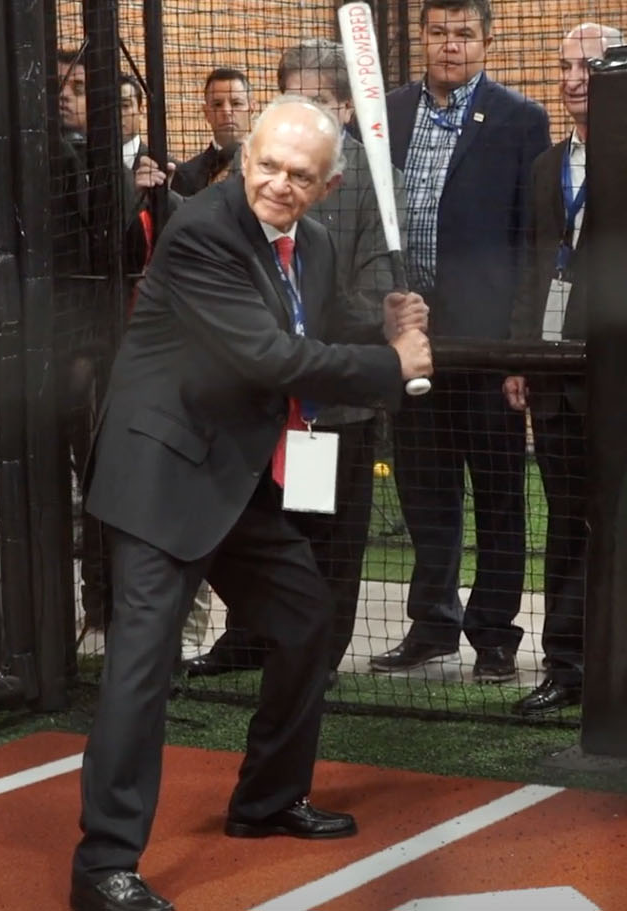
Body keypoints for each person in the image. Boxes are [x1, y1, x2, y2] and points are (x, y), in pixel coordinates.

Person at [70, 96, 431, 911]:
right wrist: (391, 362)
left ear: (329, 184)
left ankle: (267, 800)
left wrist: (384, 323)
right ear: (243, 157)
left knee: (306, 618)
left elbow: (320, 321)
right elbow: (272, 354)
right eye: (266, 164)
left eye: (300, 175)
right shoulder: (202, 230)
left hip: (231, 475)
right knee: (142, 665)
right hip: (162, 473)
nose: (278, 184)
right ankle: (103, 866)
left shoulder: (320, 241)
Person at [186, 38, 407, 685]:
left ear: (343, 108)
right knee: (261, 524)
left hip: (330, 400)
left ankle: (318, 654)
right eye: (289, 98)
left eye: (314, 99)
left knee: (329, 536)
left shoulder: (370, 179)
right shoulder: (260, 173)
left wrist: (296, 326)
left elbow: (373, 294)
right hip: (258, 394)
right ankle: (250, 635)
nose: (301, 112)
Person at [369, 0, 550, 683]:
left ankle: (495, 636)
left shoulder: (519, 120)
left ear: (488, 41)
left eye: (464, 33)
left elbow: (532, 245)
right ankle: (432, 623)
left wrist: (518, 351)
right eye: (438, 32)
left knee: (500, 492)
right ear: (421, 38)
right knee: (423, 487)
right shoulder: (388, 112)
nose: (450, 45)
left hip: (485, 349)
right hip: (409, 340)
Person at [504, 22, 621, 715]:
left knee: (626, 524)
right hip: (553, 379)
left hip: (620, 376)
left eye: (589, 66)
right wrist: (520, 354)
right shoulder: (547, 167)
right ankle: (566, 663)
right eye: (565, 66)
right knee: (565, 523)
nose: (573, 78)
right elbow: (530, 265)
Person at [169, 67, 251, 197]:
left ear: (251, 108)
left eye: (236, 103)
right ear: (206, 112)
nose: (227, 111)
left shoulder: (272, 162)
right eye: (217, 105)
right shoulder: (186, 174)